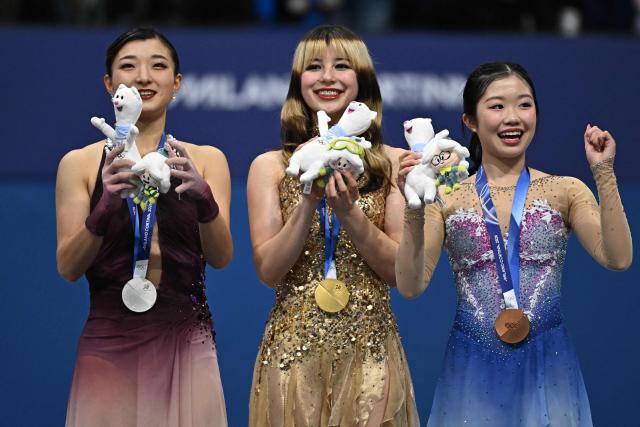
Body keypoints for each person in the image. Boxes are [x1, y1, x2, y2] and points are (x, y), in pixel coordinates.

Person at [395, 61, 632, 426]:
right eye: (496, 106)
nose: (513, 117)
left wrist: (604, 172)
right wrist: (413, 205)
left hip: (550, 369)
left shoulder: (564, 190)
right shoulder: (447, 195)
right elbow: (411, 286)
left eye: (524, 104)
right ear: (470, 121)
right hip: (471, 372)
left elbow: (618, 258)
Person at [55, 27, 232, 426]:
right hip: (108, 344)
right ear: (109, 84)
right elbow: (68, 267)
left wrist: (205, 201)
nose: (143, 77)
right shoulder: (79, 164)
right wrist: (101, 212)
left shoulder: (205, 160)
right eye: (128, 66)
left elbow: (221, 257)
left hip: (187, 341)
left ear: (177, 83)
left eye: (158, 66)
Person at [247, 25, 419, 426]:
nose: (327, 76)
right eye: (314, 67)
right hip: (292, 355)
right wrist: (308, 198)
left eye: (341, 65)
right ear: (297, 82)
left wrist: (350, 214)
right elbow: (269, 270)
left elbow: (397, 271)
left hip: (371, 352)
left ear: (362, 80)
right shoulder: (270, 168)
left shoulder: (394, 163)